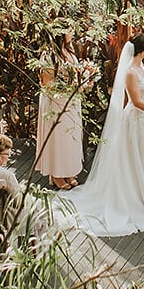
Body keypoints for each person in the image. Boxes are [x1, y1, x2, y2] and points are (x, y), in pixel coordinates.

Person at [66, 33, 144, 236]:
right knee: (134, 159)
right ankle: (133, 198)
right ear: (141, 50)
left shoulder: (140, 66)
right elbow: (136, 101)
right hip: (136, 119)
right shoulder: (128, 72)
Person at [37, 43, 88, 190]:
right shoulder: (49, 54)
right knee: (58, 138)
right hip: (56, 102)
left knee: (71, 136)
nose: (73, 32)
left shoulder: (70, 49)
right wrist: (70, 85)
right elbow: (46, 83)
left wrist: (84, 79)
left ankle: (69, 170)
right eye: (70, 29)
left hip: (72, 101)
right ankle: (56, 174)